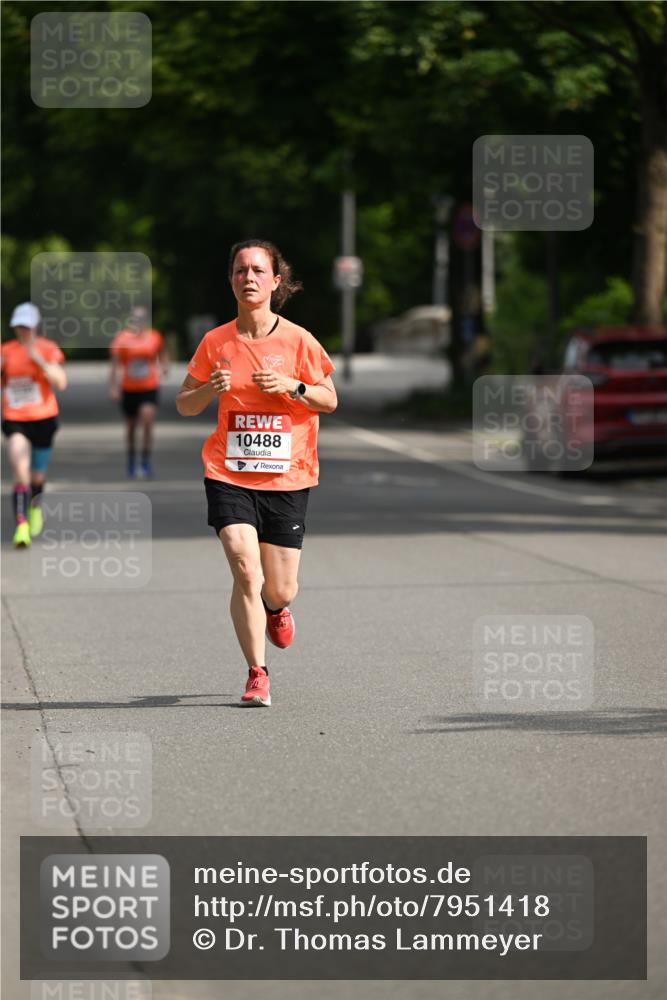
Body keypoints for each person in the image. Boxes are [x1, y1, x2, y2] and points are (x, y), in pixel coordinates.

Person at [176, 240, 337, 706]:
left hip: (287, 476)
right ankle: (256, 672)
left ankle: (276, 607)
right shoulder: (216, 342)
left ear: (275, 281)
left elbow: (329, 399)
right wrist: (209, 387)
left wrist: (294, 386)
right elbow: (185, 405)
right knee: (245, 569)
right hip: (229, 470)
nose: (249, 277)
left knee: (279, 585)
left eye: (258, 270)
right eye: (240, 269)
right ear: (231, 280)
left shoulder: (299, 340)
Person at [1, 302, 67, 548]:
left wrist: (38, 359)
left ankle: (35, 505)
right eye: (19, 326)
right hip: (15, 419)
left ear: (35, 326)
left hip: (44, 419)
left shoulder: (48, 349)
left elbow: (61, 383)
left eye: (27, 326)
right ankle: (21, 526)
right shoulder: (5, 350)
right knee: (20, 470)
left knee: (37, 476)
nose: (23, 330)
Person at [109, 306, 169, 478]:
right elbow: (114, 365)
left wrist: (164, 366)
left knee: (147, 420)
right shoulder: (122, 339)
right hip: (129, 388)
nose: (138, 322)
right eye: (135, 318)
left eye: (142, 318)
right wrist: (113, 387)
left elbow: (162, 352)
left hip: (149, 386)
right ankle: (131, 460)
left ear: (146, 320)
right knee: (131, 427)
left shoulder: (154, 337)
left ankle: (145, 460)